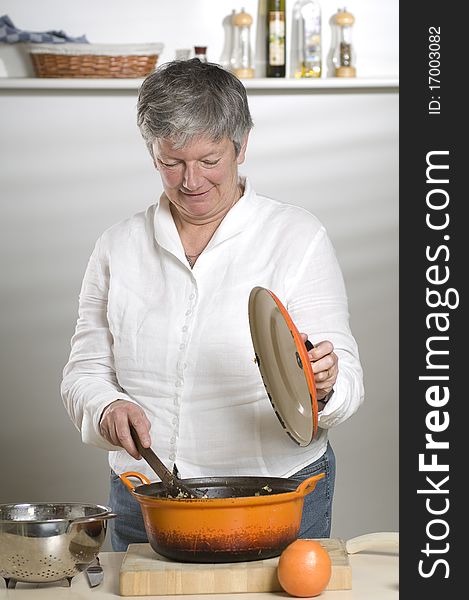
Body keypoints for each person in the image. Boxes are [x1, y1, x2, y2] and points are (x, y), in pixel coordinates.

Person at [61, 58, 364, 552]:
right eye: (171, 162)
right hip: (149, 494)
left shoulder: (296, 237)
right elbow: (84, 372)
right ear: (152, 154)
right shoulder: (117, 247)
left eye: (209, 160)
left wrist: (326, 384)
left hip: (277, 495)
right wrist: (107, 405)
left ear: (242, 145)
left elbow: (347, 380)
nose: (191, 181)